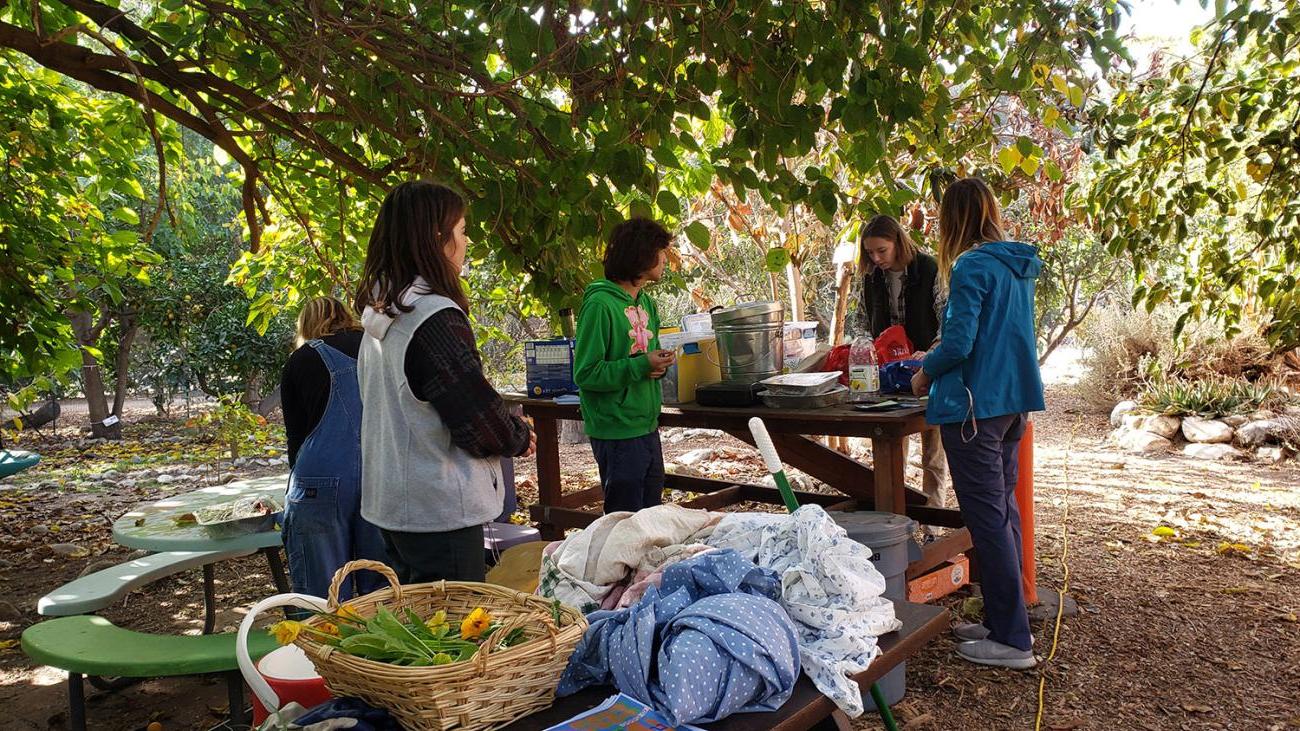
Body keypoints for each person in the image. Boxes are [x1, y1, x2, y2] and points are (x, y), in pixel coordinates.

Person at [353, 181, 535, 584]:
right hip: (438, 513)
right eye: (463, 230)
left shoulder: (382, 316)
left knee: (422, 629)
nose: (467, 242)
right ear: (438, 240)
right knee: (453, 636)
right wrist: (518, 436)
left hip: (395, 507)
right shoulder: (432, 319)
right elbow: (474, 416)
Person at [910, 178, 1046, 669]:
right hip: (1012, 402)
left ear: (952, 220)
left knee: (987, 521)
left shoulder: (970, 264)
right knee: (1001, 515)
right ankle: (1001, 622)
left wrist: (927, 370)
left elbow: (962, 342)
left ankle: (1013, 641)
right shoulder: (1018, 264)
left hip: (972, 408)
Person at [280, 296, 388, 600]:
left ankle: (322, 645)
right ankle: (379, 644)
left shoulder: (301, 360)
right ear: (346, 316)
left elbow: (296, 438)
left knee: (322, 591)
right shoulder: (379, 348)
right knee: (381, 585)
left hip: (320, 479)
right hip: (380, 472)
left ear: (307, 325)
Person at [573, 217, 675, 514]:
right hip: (615, 430)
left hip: (647, 425)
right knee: (623, 519)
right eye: (661, 251)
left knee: (649, 515)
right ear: (641, 255)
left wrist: (656, 367)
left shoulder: (647, 304)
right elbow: (586, 373)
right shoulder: (599, 306)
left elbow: (644, 360)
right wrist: (640, 365)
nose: (666, 259)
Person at [853, 214, 949, 507]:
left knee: (933, 453)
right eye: (870, 252)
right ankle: (896, 514)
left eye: (882, 250)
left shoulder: (929, 268)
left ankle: (933, 522)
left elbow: (948, 318)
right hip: (886, 376)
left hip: (928, 370)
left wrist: (931, 352)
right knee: (891, 447)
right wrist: (864, 347)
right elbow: (859, 322)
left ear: (898, 242)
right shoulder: (870, 277)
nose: (876, 257)